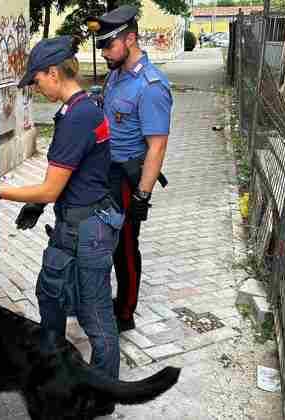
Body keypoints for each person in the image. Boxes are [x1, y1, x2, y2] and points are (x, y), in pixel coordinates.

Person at [0, 35, 124, 413]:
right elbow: (73, 177)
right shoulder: (76, 110)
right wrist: (41, 205)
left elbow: (51, 188)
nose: (35, 88)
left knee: (95, 316)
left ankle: (101, 400)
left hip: (88, 230)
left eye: (36, 81)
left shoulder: (79, 116)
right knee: (50, 294)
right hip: (78, 222)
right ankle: (54, 372)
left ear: (54, 72)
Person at [86, 5, 173, 332]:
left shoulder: (151, 86)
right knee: (103, 241)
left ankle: (125, 312)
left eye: (109, 45)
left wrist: (142, 196)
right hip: (105, 172)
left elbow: (157, 146)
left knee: (124, 248)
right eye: (103, 47)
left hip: (126, 179)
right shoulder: (116, 74)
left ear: (131, 39)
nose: (105, 52)